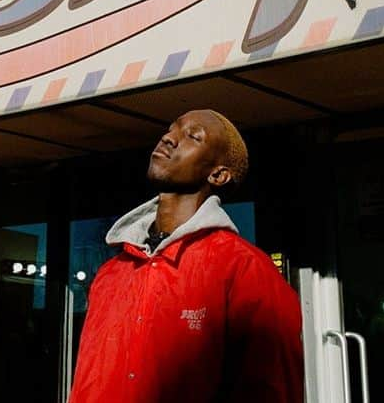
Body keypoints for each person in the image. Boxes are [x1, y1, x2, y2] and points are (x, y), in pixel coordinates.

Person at [68, 109, 303, 403]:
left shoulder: (247, 269)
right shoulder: (110, 274)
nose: (168, 138)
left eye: (193, 136)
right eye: (170, 129)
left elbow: (272, 390)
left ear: (218, 174)